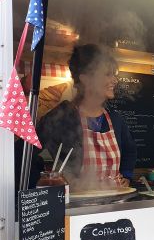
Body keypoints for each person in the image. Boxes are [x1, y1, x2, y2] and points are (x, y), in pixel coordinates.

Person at [36, 44, 136, 189]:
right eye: (107, 74)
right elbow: (25, 155)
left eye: (114, 75)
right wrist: (45, 182)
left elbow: (130, 150)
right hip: (76, 201)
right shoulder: (62, 116)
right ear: (86, 79)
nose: (115, 80)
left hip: (114, 199)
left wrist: (126, 175)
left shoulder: (115, 119)